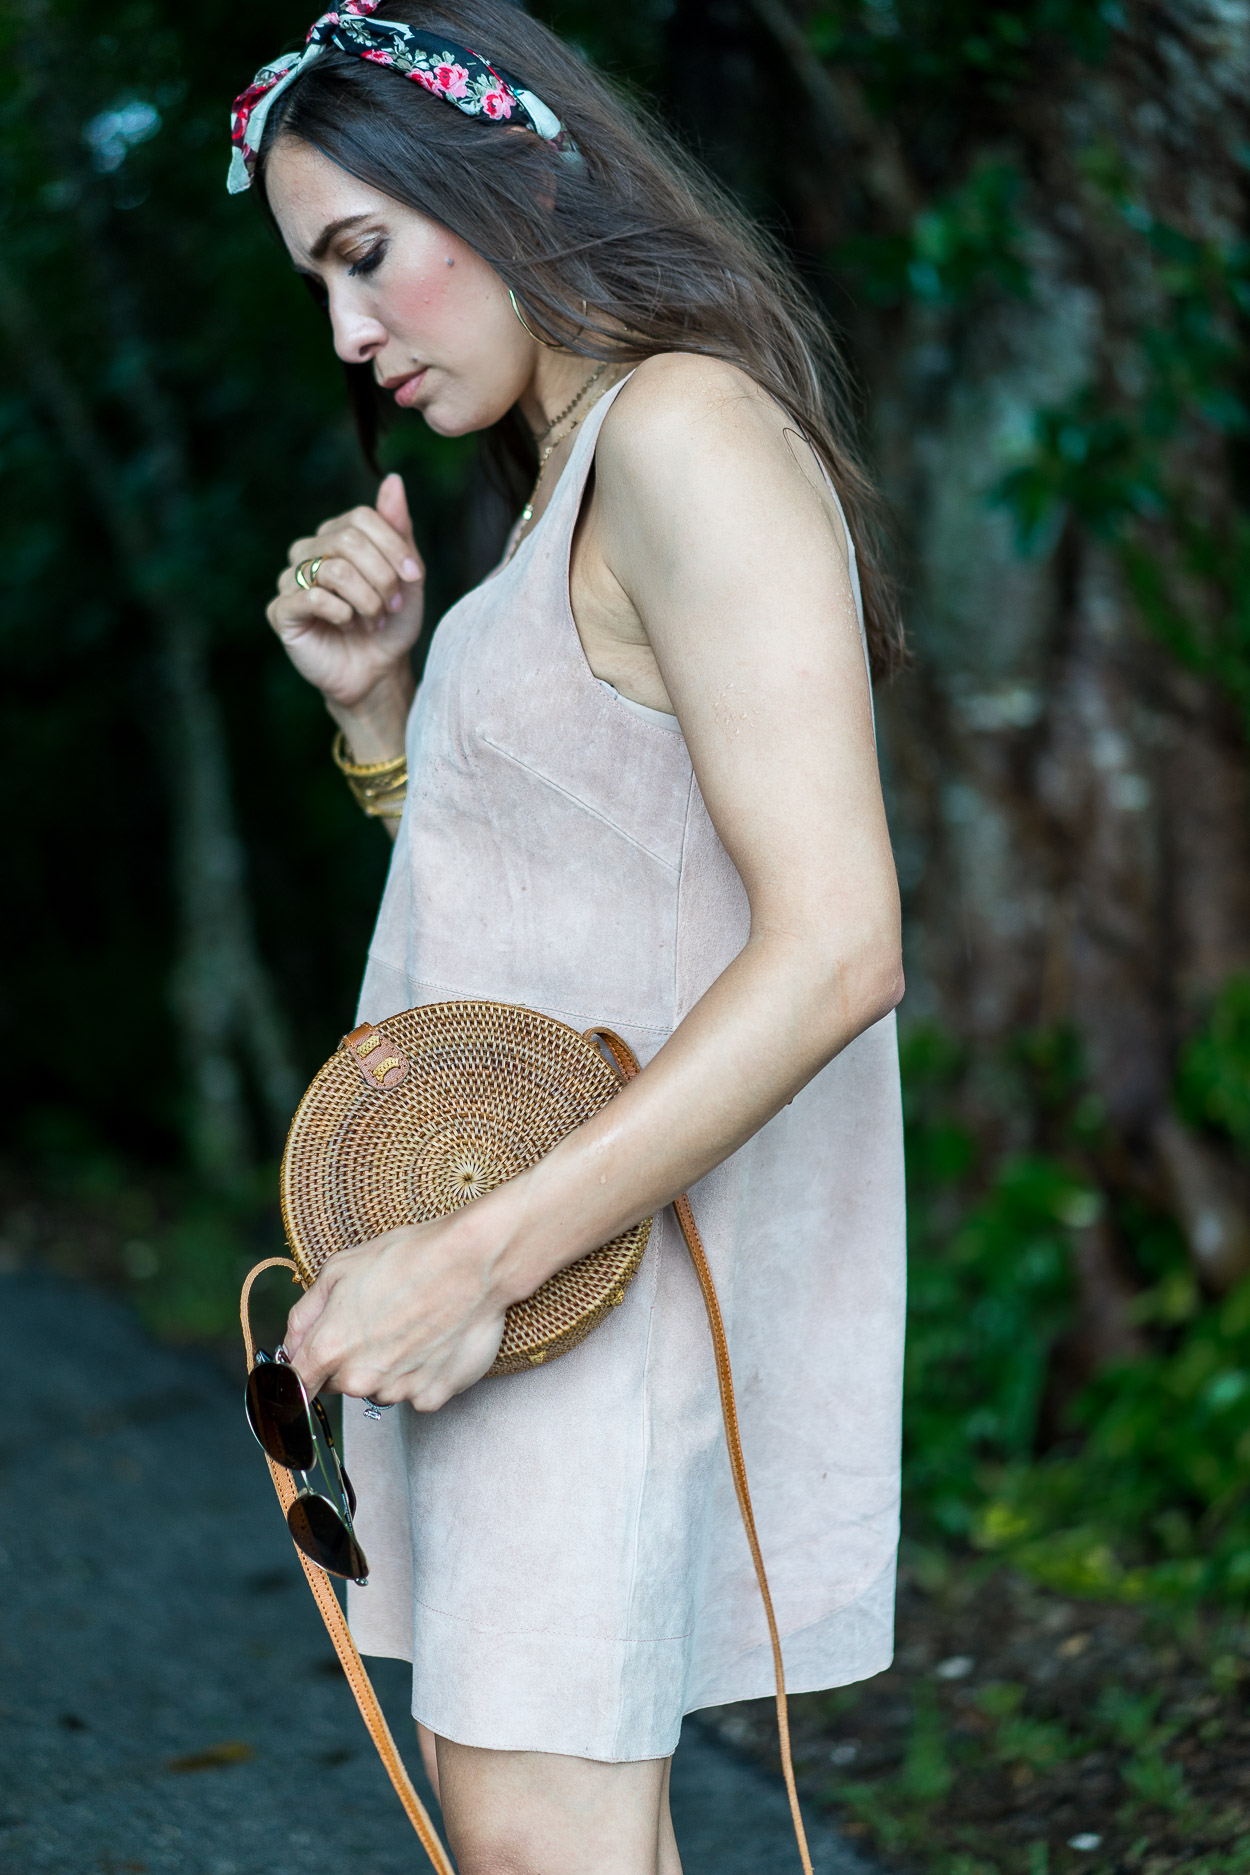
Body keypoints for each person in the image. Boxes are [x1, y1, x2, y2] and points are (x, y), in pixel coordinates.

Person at [233, 4, 906, 1870]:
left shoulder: (684, 428)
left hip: (581, 1272)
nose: (348, 332)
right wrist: (381, 717)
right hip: (537, 1268)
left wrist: (468, 1263)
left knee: (538, 1841)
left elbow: (839, 947)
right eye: (317, 283)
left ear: (508, 178)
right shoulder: (574, 483)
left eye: (364, 252)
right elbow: (563, 907)